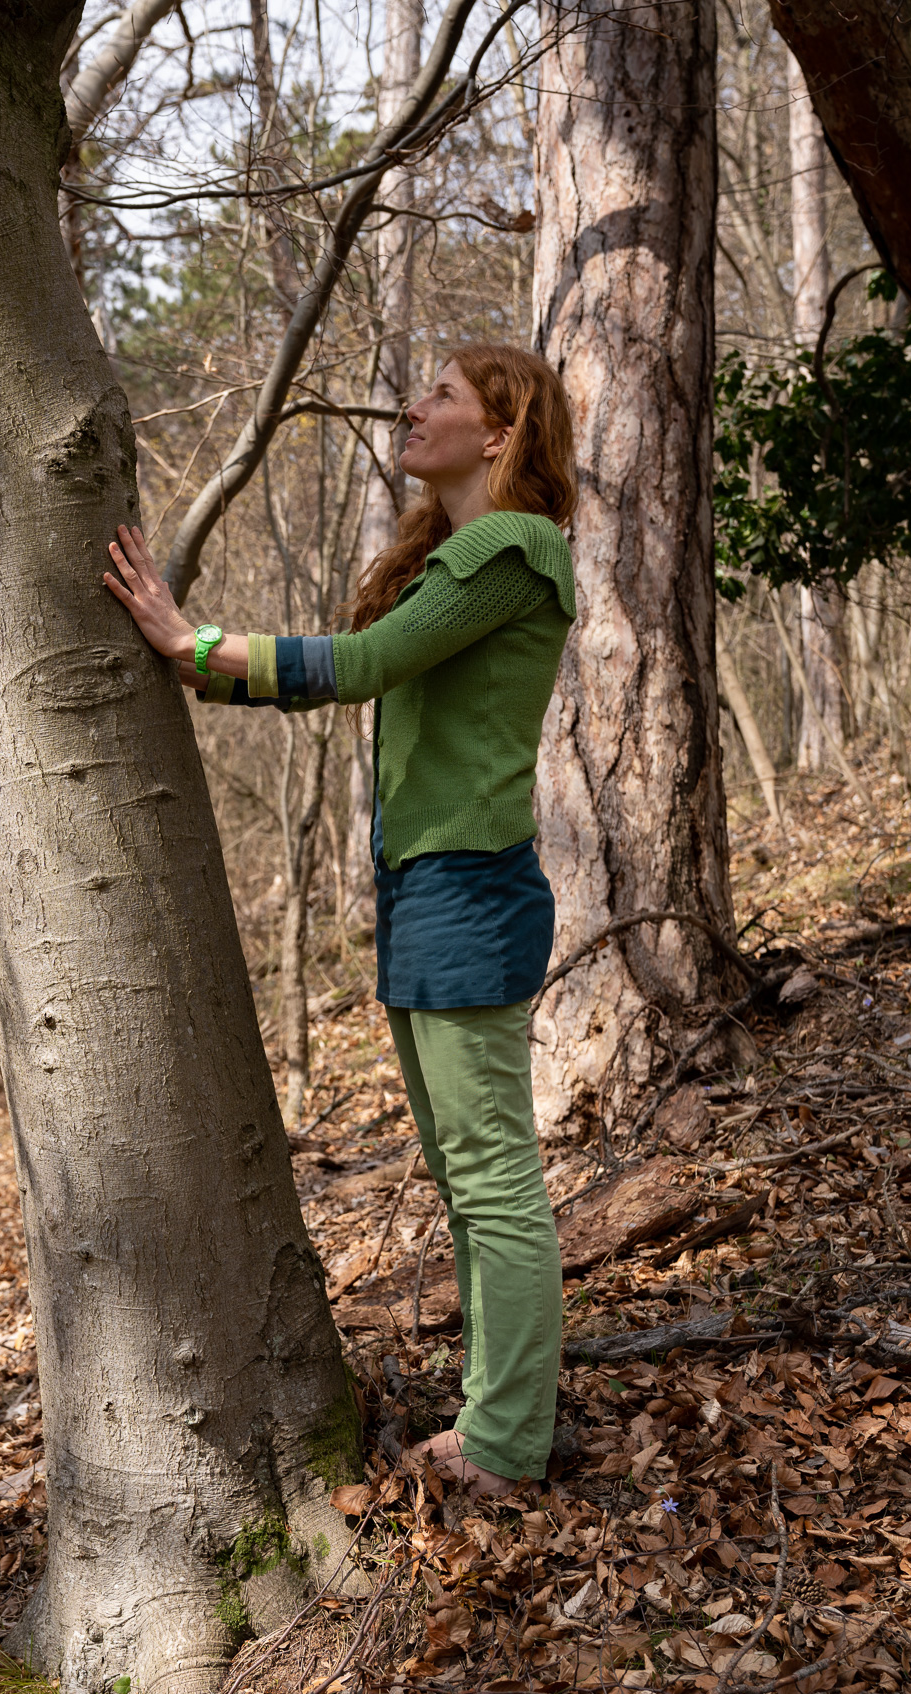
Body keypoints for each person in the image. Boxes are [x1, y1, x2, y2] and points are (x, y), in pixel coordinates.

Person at [104, 343, 578, 1499]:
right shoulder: (453, 557)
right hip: (423, 893)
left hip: (470, 893)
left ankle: (507, 1440)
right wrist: (201, 668)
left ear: (500, 432)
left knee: (491, 1179)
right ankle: (490, 1414)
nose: (412, 407)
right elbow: (366, 665)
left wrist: (192, 642)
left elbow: (362, 665)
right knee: (463, 1180)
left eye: (442, 395)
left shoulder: (514, 548)